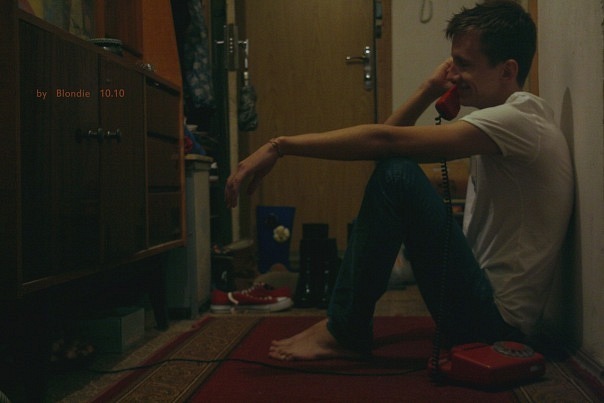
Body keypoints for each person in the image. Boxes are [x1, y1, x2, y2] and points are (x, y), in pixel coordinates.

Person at [225, 0, 574, 361]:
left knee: (398, 176)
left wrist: (280, 146)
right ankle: (342, 323)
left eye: (465, 65)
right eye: (453, 63)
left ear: (507, 71)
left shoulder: (520, 120)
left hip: (497, 326)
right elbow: (384, 149)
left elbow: (385, 143)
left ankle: (343, 330)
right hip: (483, 310)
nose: (454, 75)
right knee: (393, 171)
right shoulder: (507, 123)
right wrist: (428, 89)